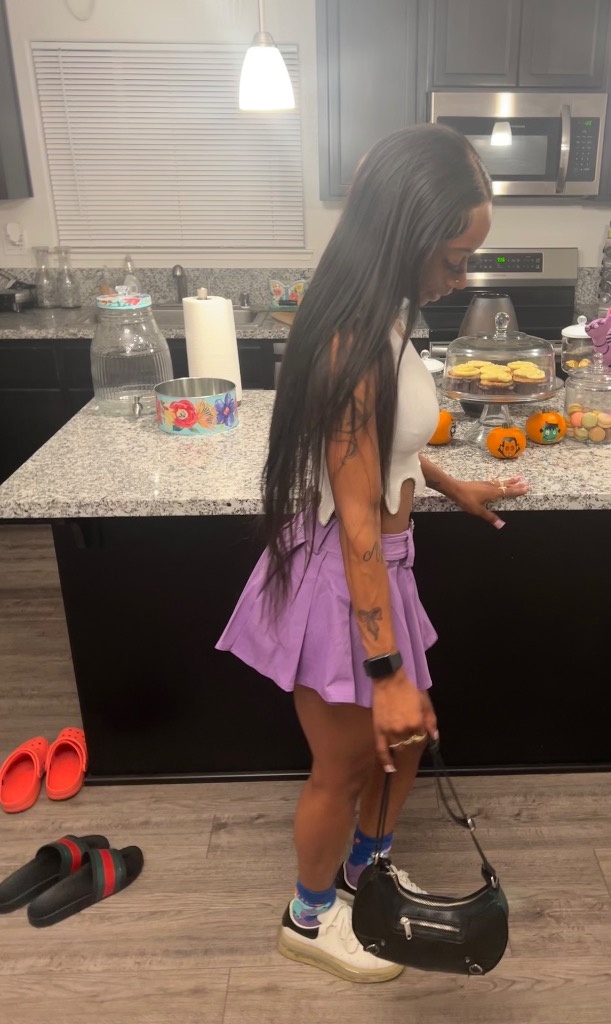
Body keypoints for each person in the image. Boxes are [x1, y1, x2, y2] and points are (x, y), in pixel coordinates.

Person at [216, 123, 529, 983]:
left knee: (408, 741)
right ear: (404, 234)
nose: (461, 277)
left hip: (383, 565)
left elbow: (386, 443)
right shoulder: (352, 343)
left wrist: (450, 485)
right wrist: (386, 671)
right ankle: (309, 919)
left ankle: (365, 876)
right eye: (456, 259)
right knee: (346, 764)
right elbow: (355, 515)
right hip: (346, 574)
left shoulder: (385, 315)